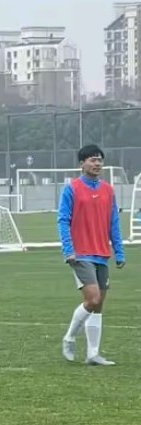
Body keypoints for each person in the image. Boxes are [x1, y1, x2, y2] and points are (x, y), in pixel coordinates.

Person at [58, 144, 124, 366]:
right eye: (92, 160)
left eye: (100, 160)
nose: (97, 164)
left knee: (99, 305)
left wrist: (119, 250)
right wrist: (68, 250)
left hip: (101, 253)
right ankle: (68, 337)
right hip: (81, 254)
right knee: (92, 299)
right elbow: (63, 220)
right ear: (82, 163)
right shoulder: (72, 189)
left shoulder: (108, 190)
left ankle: (93, 354)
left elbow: (114, 221)